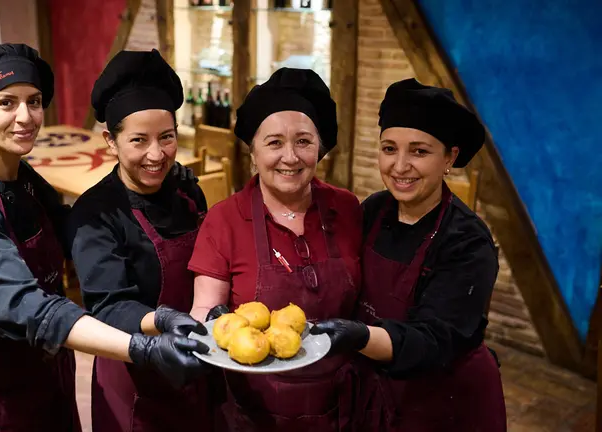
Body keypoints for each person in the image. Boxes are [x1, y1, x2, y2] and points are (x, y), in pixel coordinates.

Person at [0, 43, 208, 431]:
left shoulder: (25, 181)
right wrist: (141, 346)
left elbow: (80, 234)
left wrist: (157, 194)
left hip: (48, 378)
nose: (25, 117)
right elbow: (23, 304)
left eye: (34, 101)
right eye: (7, 102)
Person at [310, 78, 506, 431]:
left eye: (419, 151)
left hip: (442, 398)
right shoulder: (373, 210)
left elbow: (434, 342)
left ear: (450, 157)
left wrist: (359, 336)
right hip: (376, 385)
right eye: (389, 149)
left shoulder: (467, 242)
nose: (400, 166)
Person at [188, 68, 363, 430]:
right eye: (274, 143)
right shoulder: (224, 220)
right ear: (252, 152)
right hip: (254, 410)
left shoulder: (347, 209)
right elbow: (204, 310)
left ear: (320, 149)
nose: (290, 157)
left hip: (341, 408)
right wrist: (207, 324)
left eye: (303, 141)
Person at [66, 49, 212, 432]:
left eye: (167, 137)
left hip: (198, 368)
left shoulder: (187, 194)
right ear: (110, 142)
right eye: (138, 141)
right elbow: (108, 306)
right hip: (136, 383)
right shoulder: (95, 214)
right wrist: (164, 320)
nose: (156, 154)